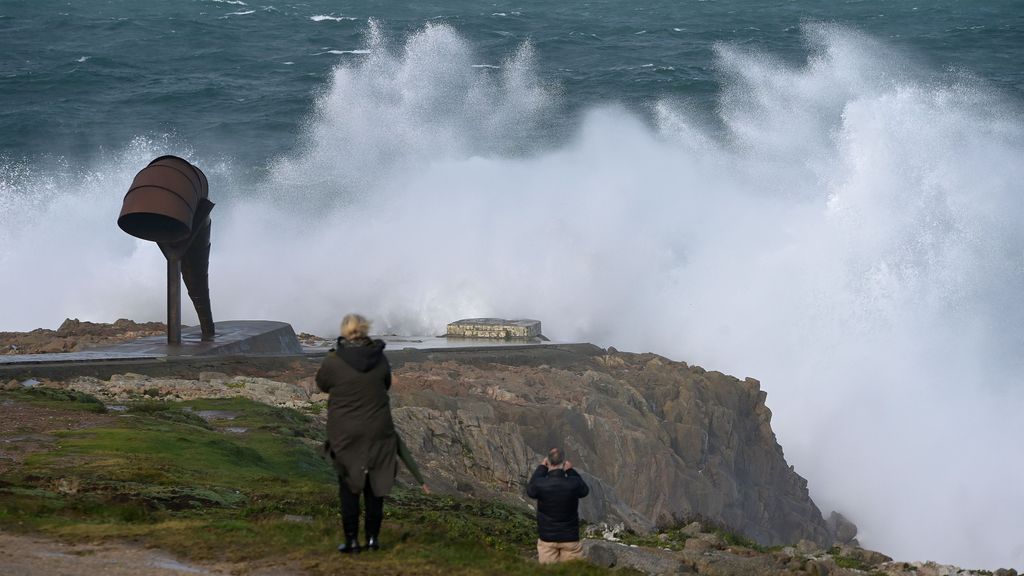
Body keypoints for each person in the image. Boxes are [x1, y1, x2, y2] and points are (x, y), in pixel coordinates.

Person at [316, 313, 399, 554]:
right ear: (365, 330)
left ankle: (351, 541)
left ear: (344, 331)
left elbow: (322, 384)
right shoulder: (380, 358)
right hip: (378, 430)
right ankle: (373, 540)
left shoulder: (333, 360)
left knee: (350, 487)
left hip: (346, 433)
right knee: (375, 487)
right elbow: (386, 384)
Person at [526, 447, 590, 564]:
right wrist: (570, 470)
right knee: (572, 572)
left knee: (549, 572)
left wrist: (542, 468)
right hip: (570, 538)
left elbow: (531, 489)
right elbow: (584, 490)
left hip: (547, 539)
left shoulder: (540, 484)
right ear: (564, 463)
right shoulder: (573, 483)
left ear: (548, 462)